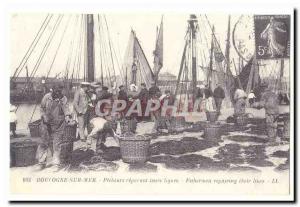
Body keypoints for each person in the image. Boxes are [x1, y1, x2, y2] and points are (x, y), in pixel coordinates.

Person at [36, 86, 71, 170]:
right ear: (52, 91)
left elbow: (66, 110)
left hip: (59, 124)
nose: (57, 94)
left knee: (57, 144)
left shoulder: (63, 98)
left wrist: (67, 117)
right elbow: (42, 108)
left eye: (59, 92)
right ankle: (41, 162)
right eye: (56, 92)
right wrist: (43, 116)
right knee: (44, 142)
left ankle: (56, 164)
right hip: (46, 123)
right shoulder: (46, 97)